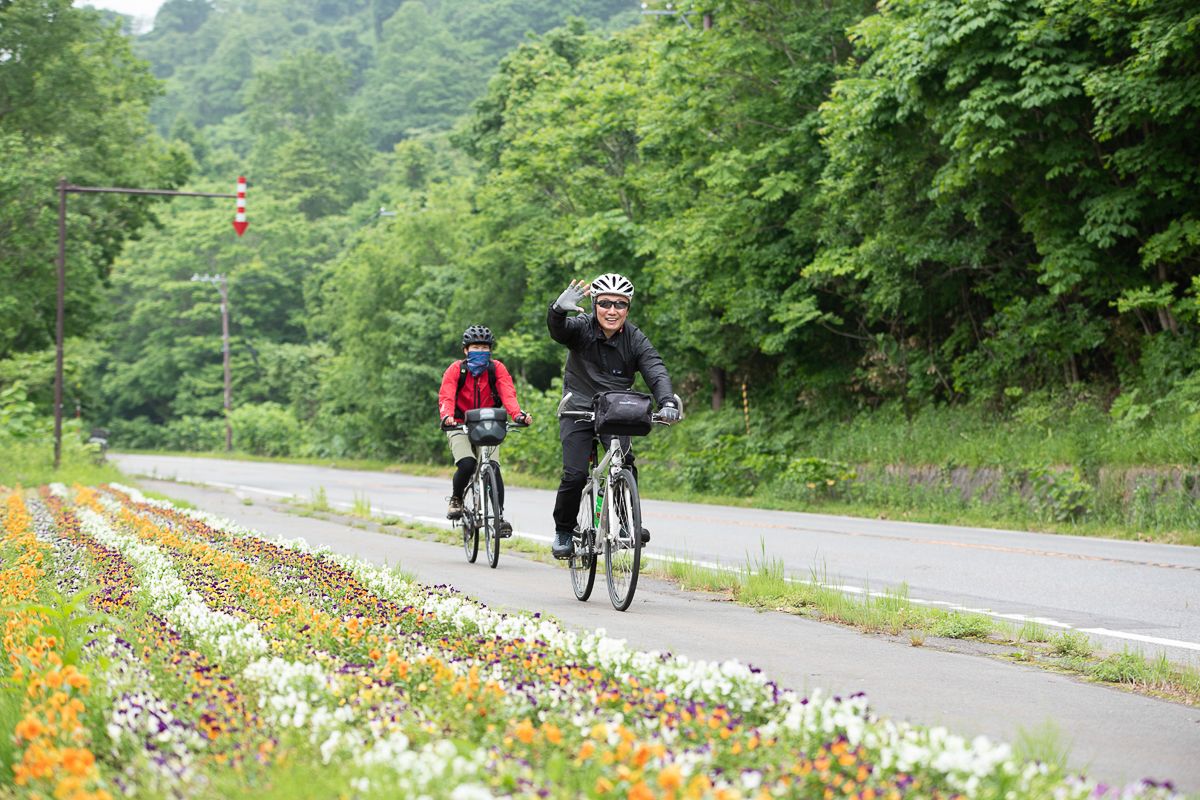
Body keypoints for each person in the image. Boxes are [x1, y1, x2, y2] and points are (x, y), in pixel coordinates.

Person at [547, 273, 679, 559]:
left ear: (627, 309)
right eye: (605, 303)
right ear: (595, 304)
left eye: (619, 305)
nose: (612, 310)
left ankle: (627, 523)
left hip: (615, 408)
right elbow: (559, 332)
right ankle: (564, 531)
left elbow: (655, 368)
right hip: (577, 407)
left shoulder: (634, 338)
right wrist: (557, 311)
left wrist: (667, 401)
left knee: (625, 464)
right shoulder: (582, 327)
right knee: (576, 474)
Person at [438, 325, 532, 535]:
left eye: (484, 347)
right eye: (475, 347)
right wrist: (447, 417)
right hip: (459, 423)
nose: (480, 351)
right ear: (466, 350)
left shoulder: (496, 368)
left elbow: (508, 394)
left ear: (490, 350)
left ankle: (498, 517)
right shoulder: (456, 370)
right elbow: (446, 396)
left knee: (493, 467)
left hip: (488, 424)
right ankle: (457, 499)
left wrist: (518, 414)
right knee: (467, 463)